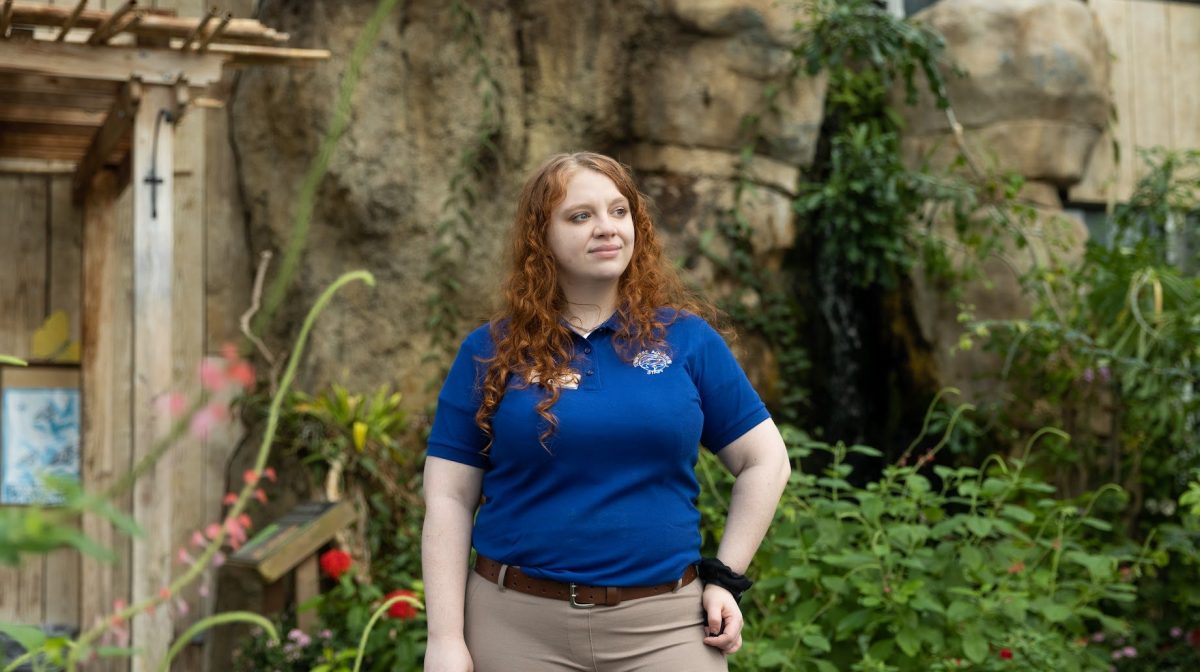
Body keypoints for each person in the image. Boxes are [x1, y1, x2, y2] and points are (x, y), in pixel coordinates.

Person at [422, 151, 791, 672]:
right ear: (540, 236)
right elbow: (449, 496)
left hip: (668, 629)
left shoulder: (686, 340)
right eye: (580, 216)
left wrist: (725, 576)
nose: (607, 228)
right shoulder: (490, 351)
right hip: (515, 628)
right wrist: (444, 637)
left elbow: (766, 460)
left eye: (619, 211)